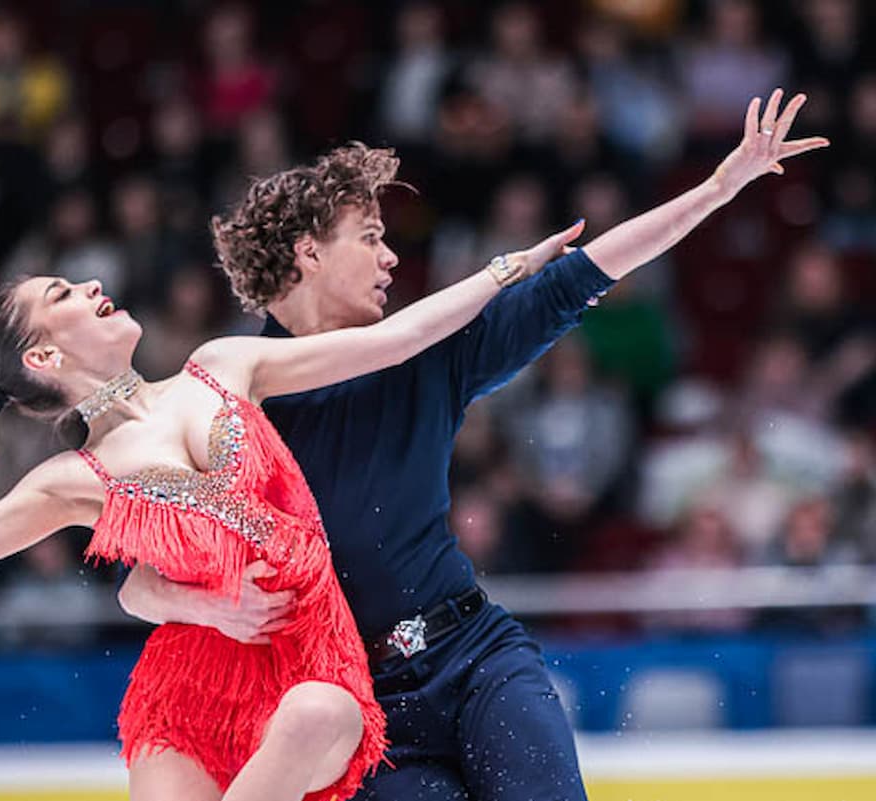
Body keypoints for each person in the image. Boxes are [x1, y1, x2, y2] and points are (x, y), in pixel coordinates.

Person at [0, 161, 587, 800]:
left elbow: (394, 340)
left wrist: (510, 268)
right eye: (66, 294)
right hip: (192, 690)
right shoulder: (71, 482)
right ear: (44, 353)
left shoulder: (221, 363)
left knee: (321, 716)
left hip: (308, 677)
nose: (94, 282)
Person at [118, 90, 827, 800]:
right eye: (369, 237)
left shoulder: (423, 352)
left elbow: (580, 277)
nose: (391, 257)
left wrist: (718, 187)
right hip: (355, 703)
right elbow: (139, 585)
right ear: (308, 252)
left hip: (474, 655)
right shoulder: (223, 403)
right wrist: (213, 605)